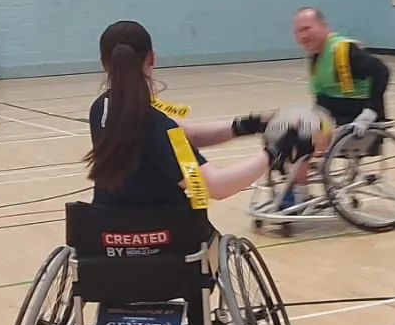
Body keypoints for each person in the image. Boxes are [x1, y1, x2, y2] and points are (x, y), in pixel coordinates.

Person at [87, 19, 270, 210]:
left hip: (106, 231)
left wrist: (246, 126)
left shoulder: (99, 110)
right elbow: (216, 186)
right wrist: (273, 154)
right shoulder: (158, 126)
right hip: (163, 232)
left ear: (104, 64)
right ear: (151, 58)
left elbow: (184, 134)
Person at [292, 7, 391, 134]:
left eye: (307, 29)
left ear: (323, 26)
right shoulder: (316, 56)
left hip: (353, 118)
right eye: (298, 32)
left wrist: (370, 111)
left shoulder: (343, 50)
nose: (302, 35)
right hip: (330, 119)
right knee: (284, 125)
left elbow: (381, 71)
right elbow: (322, 93)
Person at [244, 102, 336, 215]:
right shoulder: (319, 125)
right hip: (296, 131)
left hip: (276, 131)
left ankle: (292, 197)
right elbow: (319, 143)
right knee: (302, 163)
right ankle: (298, 198)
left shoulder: (313, 118)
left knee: (288, 164)